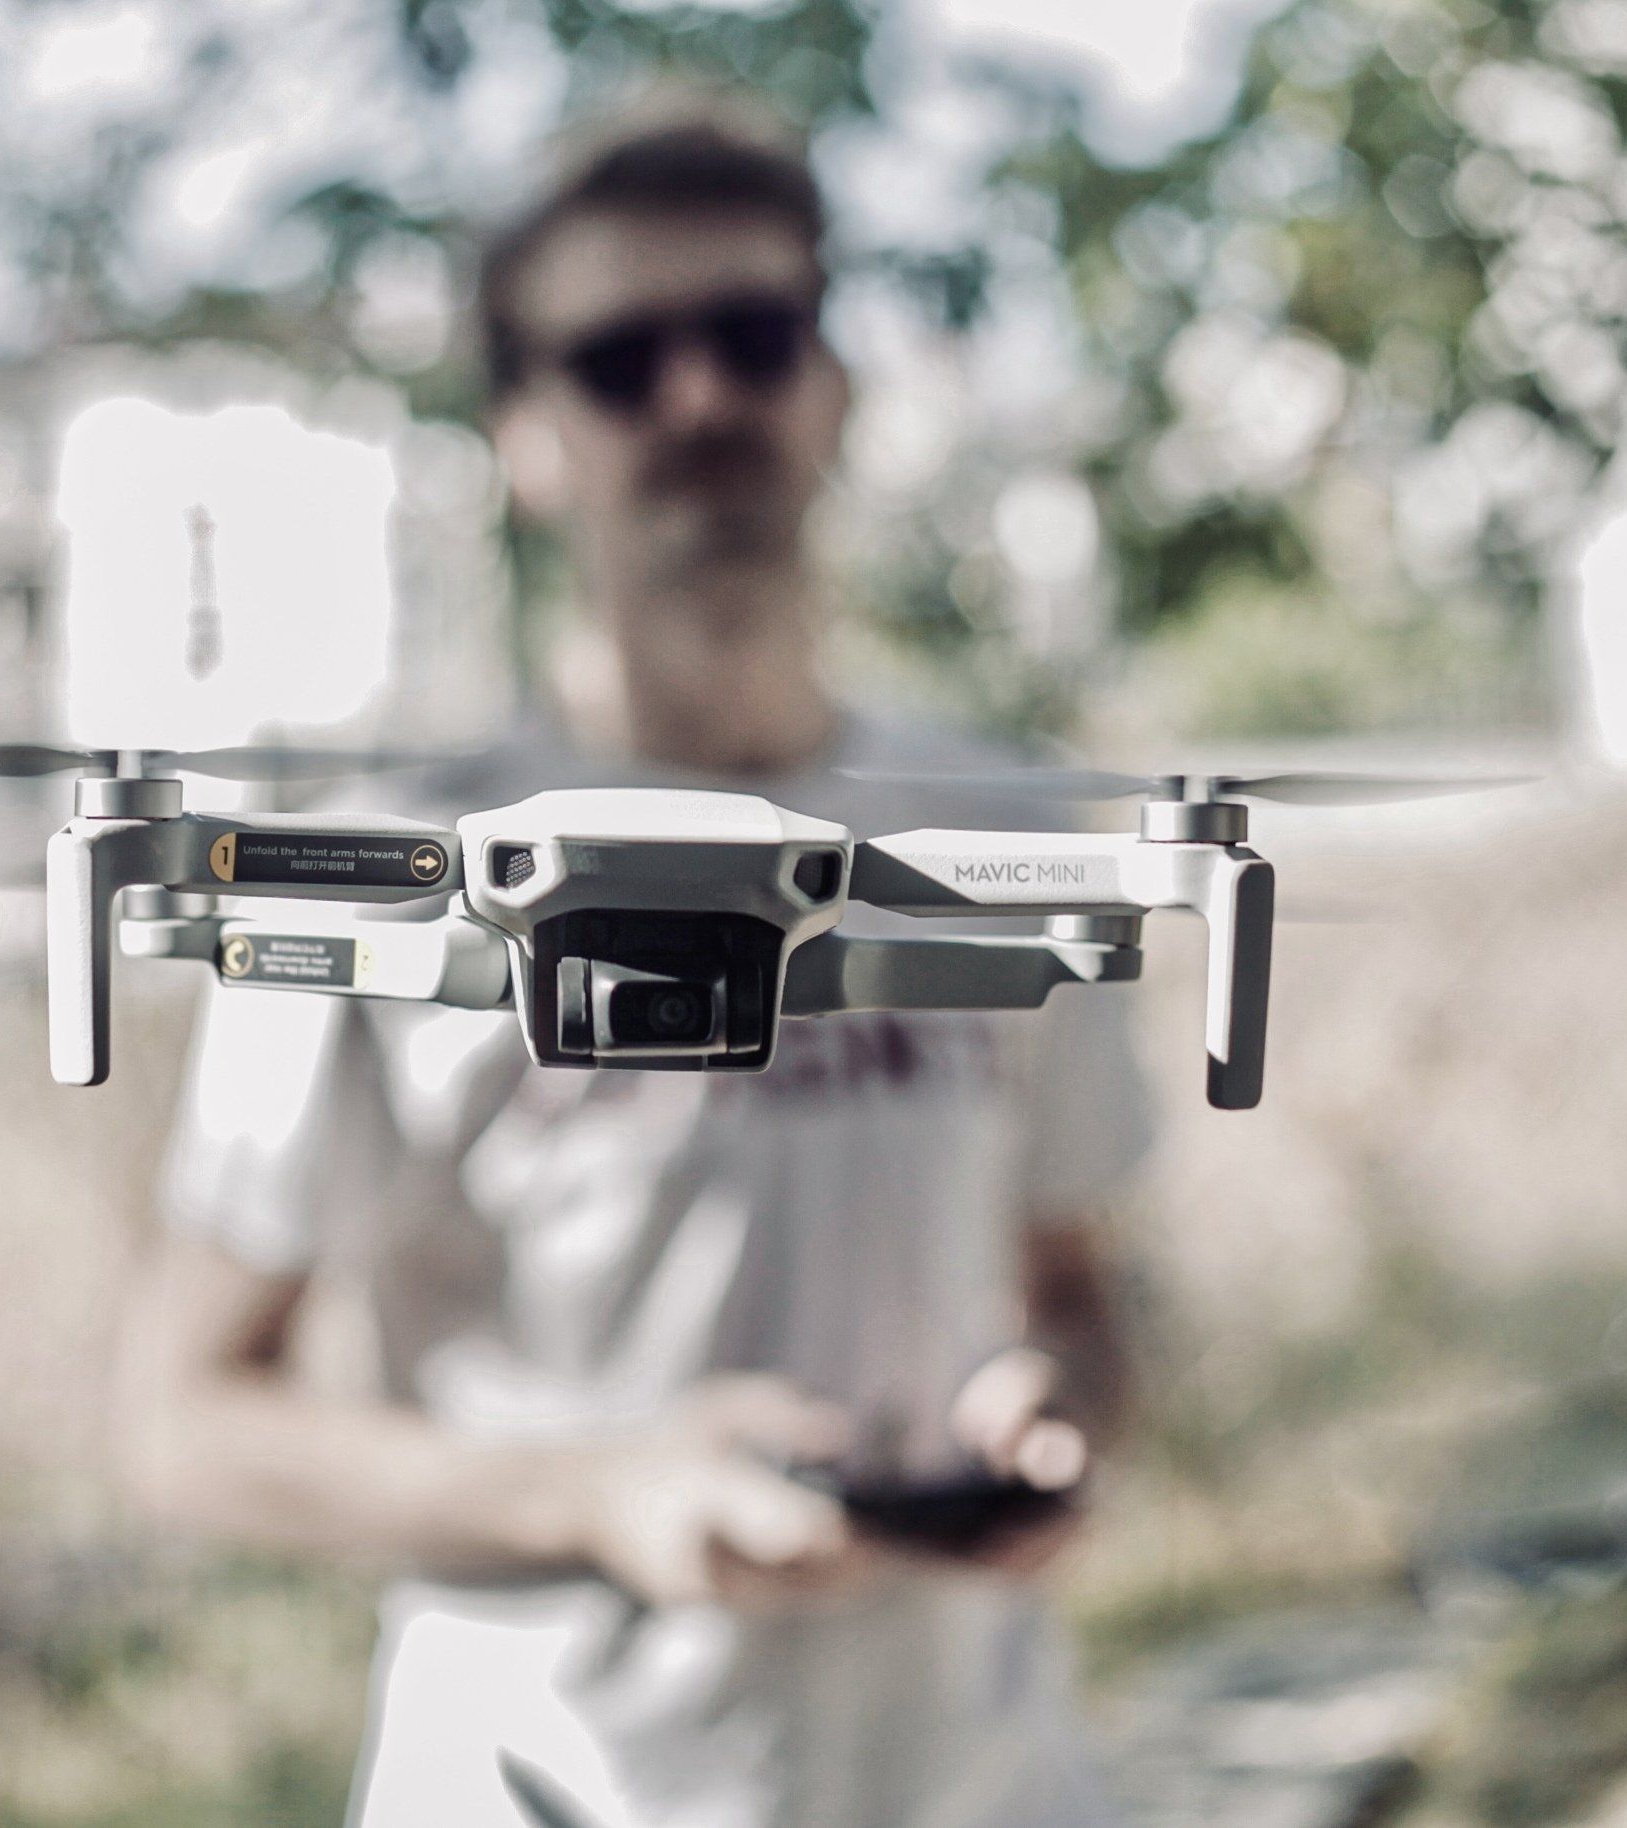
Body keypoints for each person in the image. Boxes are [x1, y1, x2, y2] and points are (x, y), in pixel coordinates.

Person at [122, 93, 1153, 1828]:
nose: (700, 401)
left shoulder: (1015, 838)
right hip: (542, 1784)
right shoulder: (386, 874)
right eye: (618, 360)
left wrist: (1053, 1410)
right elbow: (181, 1421)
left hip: (985, 1780)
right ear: (527, 432)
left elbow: (1083, 1286)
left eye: (754, 337)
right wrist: (595, 1496)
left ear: (830, 386)